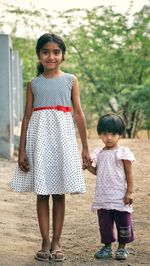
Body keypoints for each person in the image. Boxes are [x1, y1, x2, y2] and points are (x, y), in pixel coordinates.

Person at [12, 33, 90, 262]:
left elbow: (78, 113)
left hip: (62, 142)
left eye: (56, 52)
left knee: (58, 193)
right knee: (42, 192)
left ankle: (57, 241)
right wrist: (22, 150)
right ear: (39, 54)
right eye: (46, 51)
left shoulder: (70, 80)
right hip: (40, 143)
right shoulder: (33, 84)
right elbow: (27, 117)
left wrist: (85, 148)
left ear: (63, 55)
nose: (51, 56)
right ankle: (45, 241)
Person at [83, 113, 135, 260]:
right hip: (103, 196)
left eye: (113, 134)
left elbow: (129, 174)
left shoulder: (123, 153)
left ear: (120, 134)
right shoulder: (99, 153)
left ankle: (122, 248)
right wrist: (88, 167)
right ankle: (107, 247)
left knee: (123, 222)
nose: (109, 138)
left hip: (120, 196)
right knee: (104, 223)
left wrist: (129, 192)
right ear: (100, 134)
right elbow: (98, 172)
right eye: (105, 134)